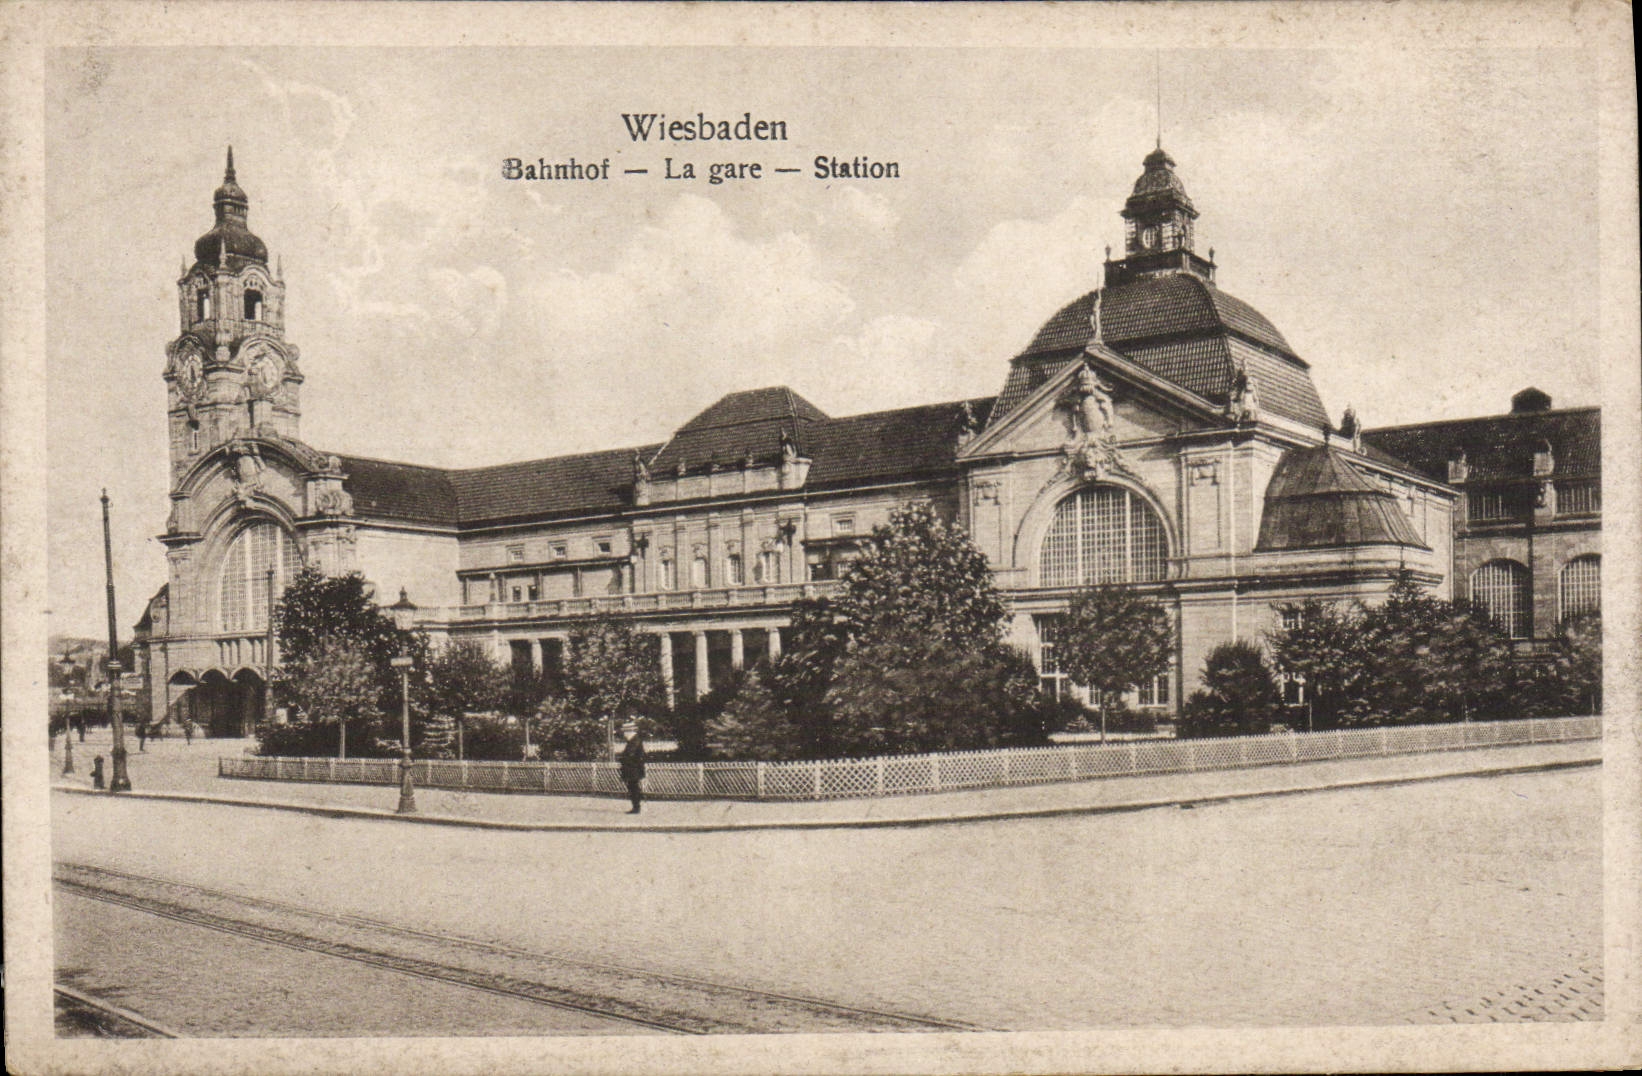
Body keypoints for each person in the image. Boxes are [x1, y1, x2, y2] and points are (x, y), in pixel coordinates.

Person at [617, 720, 646, 814]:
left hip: (633, 769)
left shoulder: (634, 741)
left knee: (633, 788)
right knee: (633, 788)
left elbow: (630, 755)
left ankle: (636, 808)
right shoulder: (633, 740)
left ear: (629, 732)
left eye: (625, 732)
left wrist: (622, 759)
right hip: (633, 769)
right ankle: (636, 806)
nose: (624, 734)